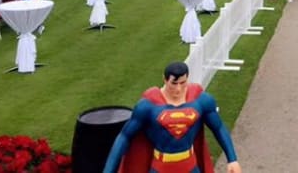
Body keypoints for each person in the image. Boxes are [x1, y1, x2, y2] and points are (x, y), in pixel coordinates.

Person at [102, 61, 241, 173]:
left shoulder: (200, 100)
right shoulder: (148, 106)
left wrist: (232, 159)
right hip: (161, 166)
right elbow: (124, 136)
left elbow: (218, 127)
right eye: (174, 83)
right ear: (164, 79)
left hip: (189, 164)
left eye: (183, 83)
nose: (178, 89)